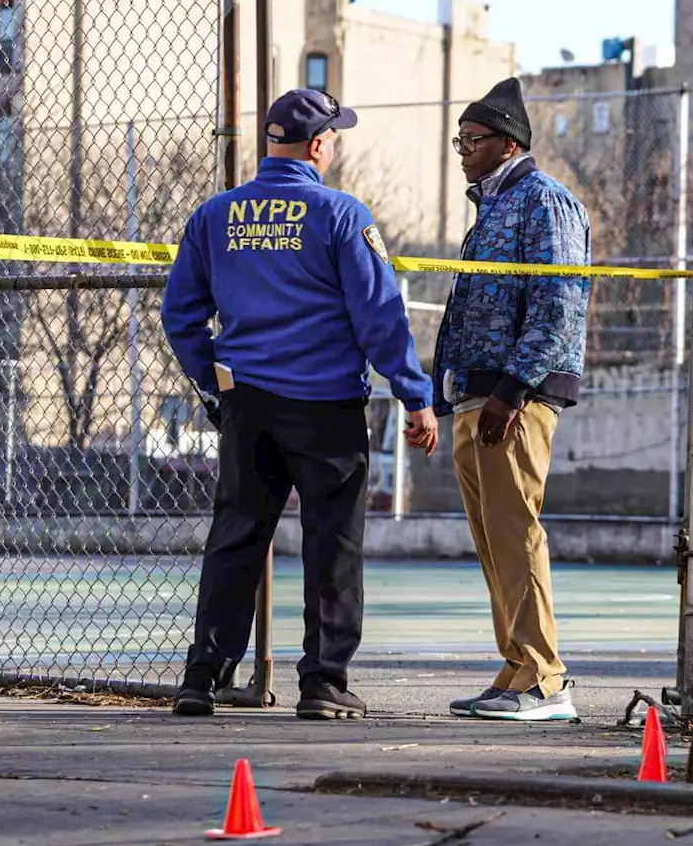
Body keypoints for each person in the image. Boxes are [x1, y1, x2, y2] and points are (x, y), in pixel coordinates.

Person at [161, 88, 438, 719]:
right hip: (325, 404)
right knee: (332, 539)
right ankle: (323, 682)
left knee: (235, 534)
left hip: (249, 403)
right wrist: (413, 395)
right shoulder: (342, 216)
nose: (335, 145)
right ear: (318, 145)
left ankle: (202, 676)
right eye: (334, 136)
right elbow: (380, 318)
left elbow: (180, 317)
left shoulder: (215, 216)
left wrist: (216, 385)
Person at [434, 78, 592, 721]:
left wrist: (512, 389)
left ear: (507, 143)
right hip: (477, 395)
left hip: (513, 399)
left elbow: (559, 305)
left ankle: (546, 681)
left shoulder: (544, 202)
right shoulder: (492, 207)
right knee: (494, 538)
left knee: (516, 531)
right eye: (459, 142)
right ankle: (517, 665)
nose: (462, 152)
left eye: (471, 141)